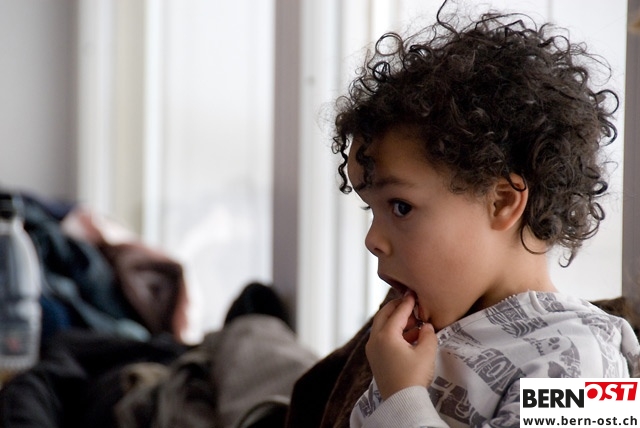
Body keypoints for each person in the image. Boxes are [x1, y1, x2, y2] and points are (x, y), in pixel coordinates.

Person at [328, 2, 640, 427]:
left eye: (400, 207)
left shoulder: (585, 357)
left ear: (502, 203)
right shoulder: (417, 339)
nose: (372, 240)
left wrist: (402, 396)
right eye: (372, 209)